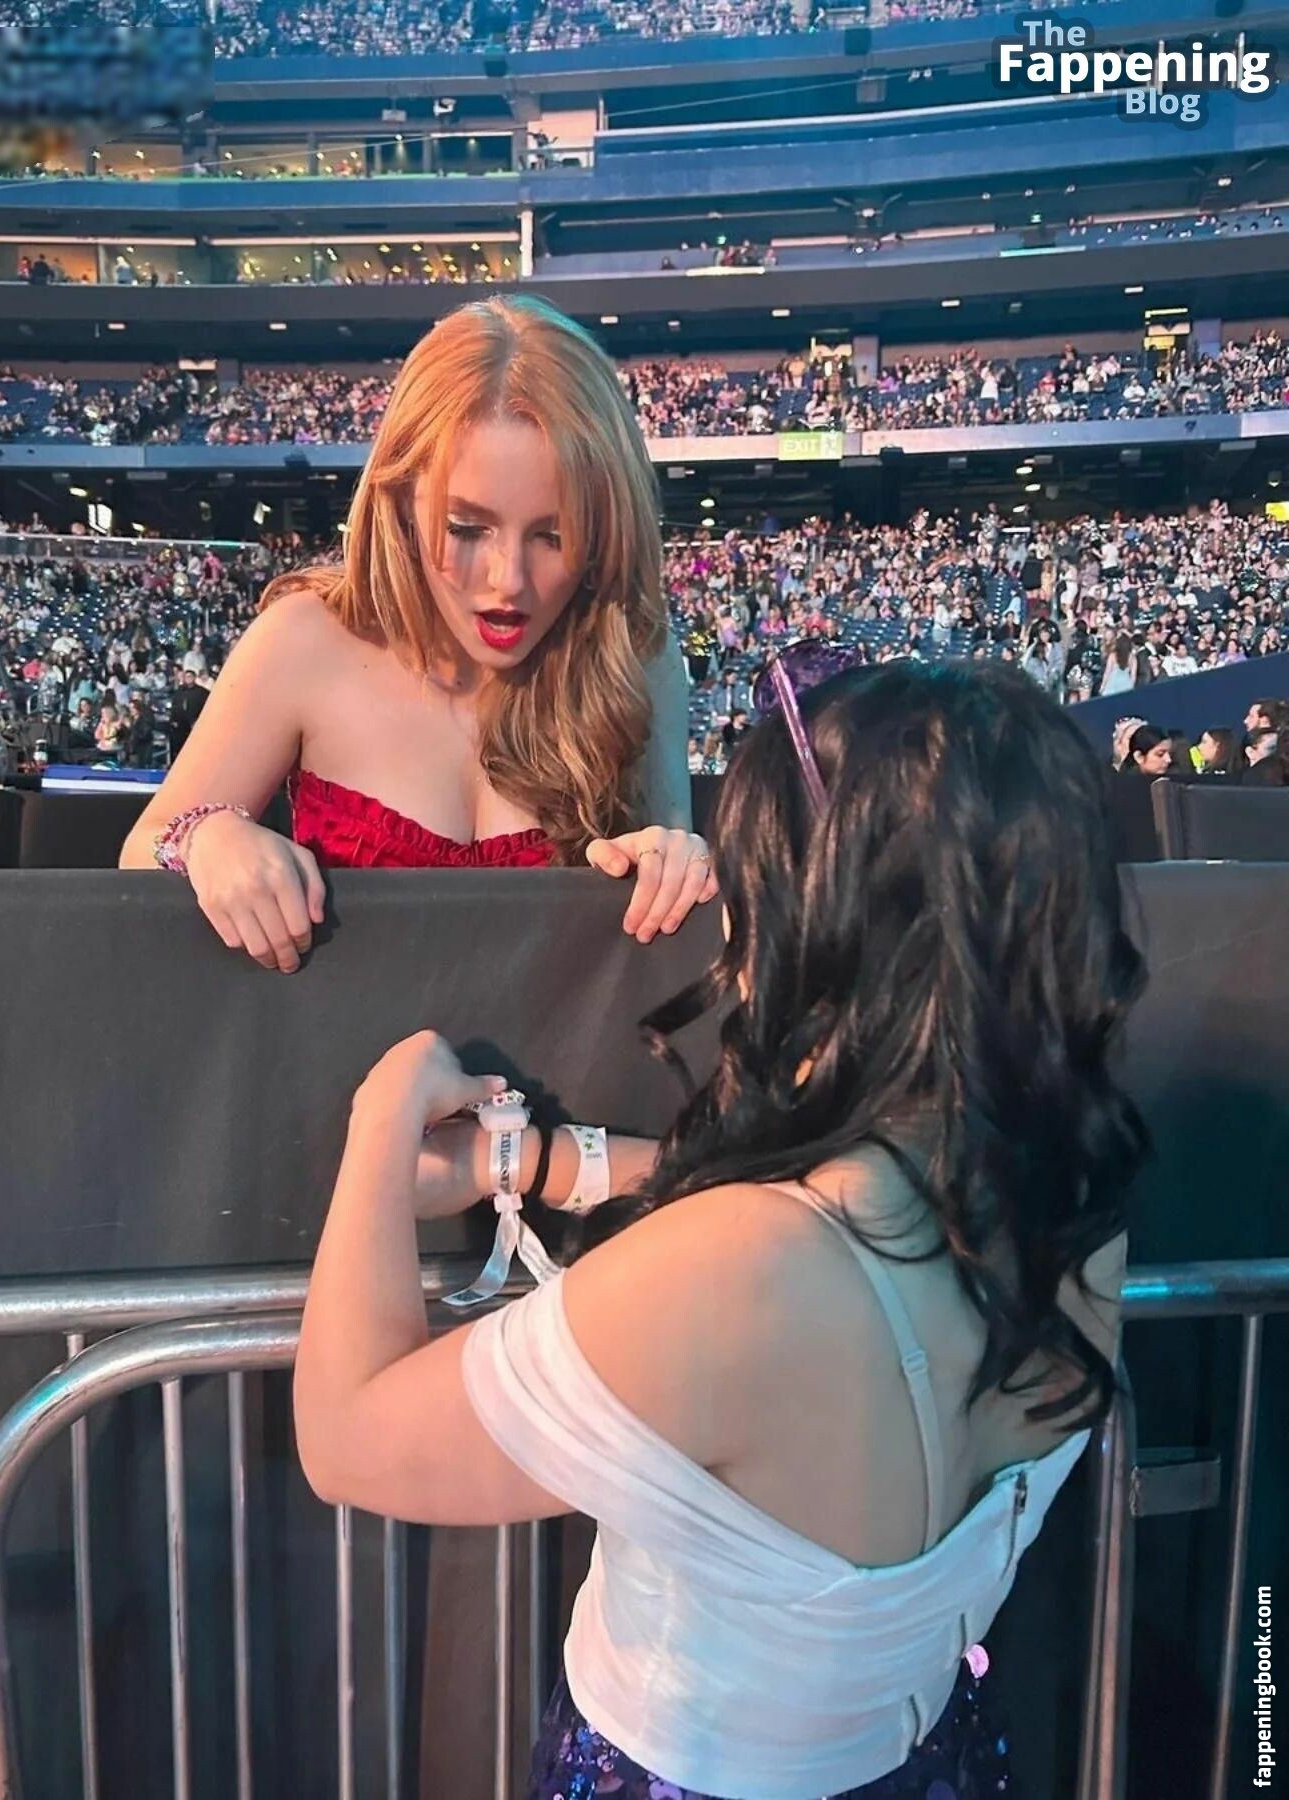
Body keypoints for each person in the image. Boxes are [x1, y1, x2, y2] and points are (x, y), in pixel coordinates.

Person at [292, 660, 1145, 1800]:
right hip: (935, 1762)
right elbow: (856, 1219)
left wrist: (381, 1115)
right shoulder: (1074, 1214)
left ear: (818, 914)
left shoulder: (742, 1273)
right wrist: (539, 1162)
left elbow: (348, 1438)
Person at [121, 295, 713, 971]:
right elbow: (143, 849)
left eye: (554, 535)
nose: (508, 580)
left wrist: (671, 865)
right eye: (466, 528)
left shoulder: (636, 654)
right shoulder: (303, 641)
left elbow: (664, 899)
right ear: (401, 497)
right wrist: (207, 840)